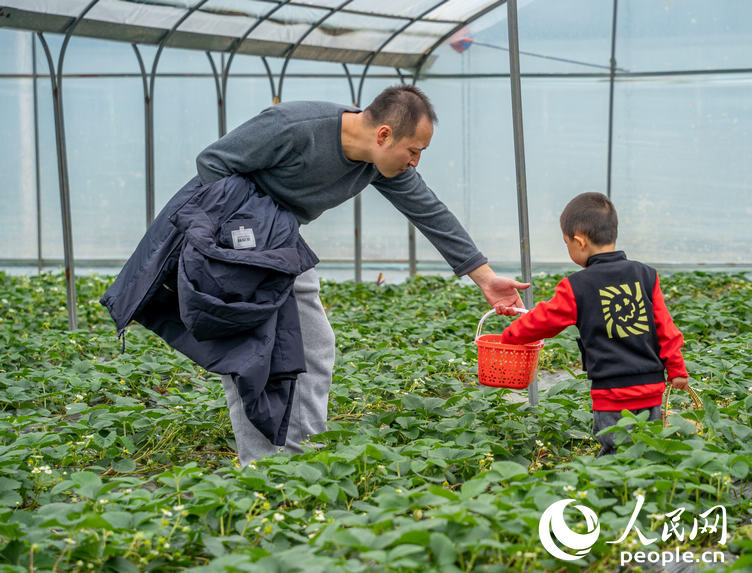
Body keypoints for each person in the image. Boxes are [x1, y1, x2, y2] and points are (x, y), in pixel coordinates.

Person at [194, 85, 528, 464]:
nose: (415, 162)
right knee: (249, 355)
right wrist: (244, 238)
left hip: (282, 246)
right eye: (413, 151)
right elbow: (212, 162)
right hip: (232, 247)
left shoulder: (377, 163)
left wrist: (485, 278)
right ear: (384, 134)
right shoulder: (293, 127)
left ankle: (304, 458)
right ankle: (258, 467)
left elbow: (429, 211)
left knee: (313, 346)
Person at [497, 192, 688, 456]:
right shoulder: (646, 275)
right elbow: (666, 329)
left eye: (567, 243)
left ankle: (614, 491)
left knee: (614, 453)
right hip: (651, 390)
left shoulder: (577, 286)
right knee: (647, 451)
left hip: (611, 395)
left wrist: (510, 336)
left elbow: (544, 321)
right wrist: (677, 370)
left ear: (579, 240)